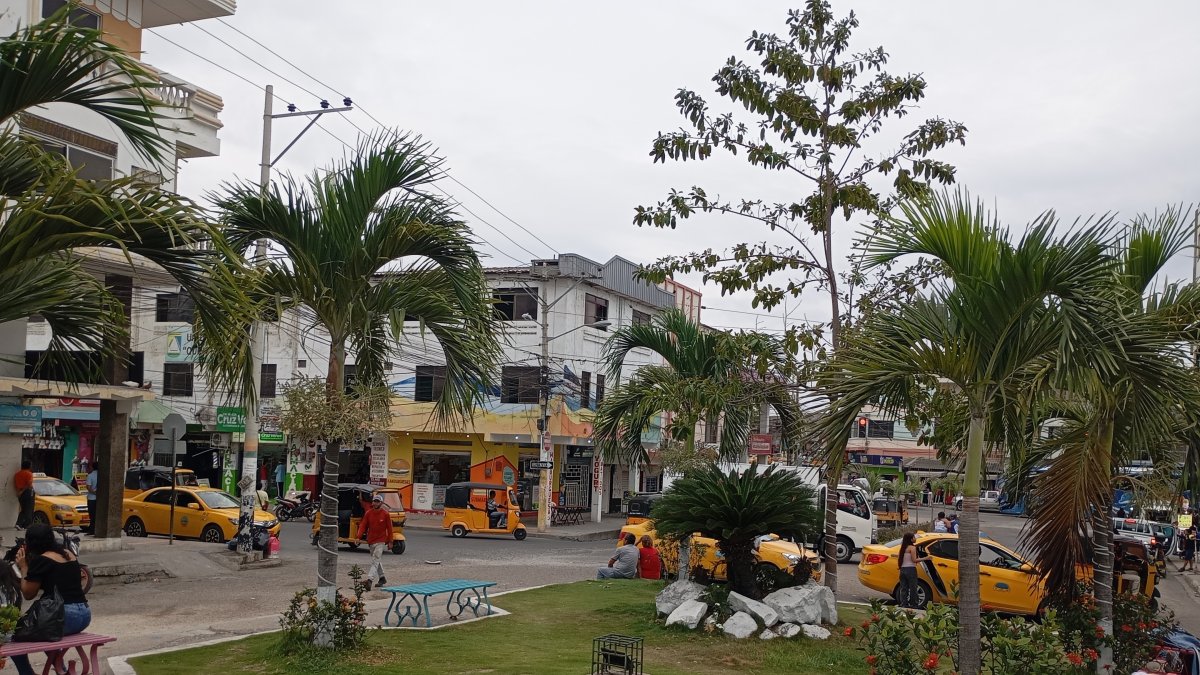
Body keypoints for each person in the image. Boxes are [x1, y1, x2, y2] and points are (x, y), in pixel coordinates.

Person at [12, 524, 90, 675]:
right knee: (44, 630)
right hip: (84, 615)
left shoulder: (43, 560)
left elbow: (28, 593)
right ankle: (62, 670)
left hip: (65, 616)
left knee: (14, 634)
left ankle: (26, 672)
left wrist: (23, 567)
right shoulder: (69, 554)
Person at [357, 494, 394, 591]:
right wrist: (359, 535)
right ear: (372, 502)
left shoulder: (385, 514)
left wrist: (390, 541)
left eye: (378, 501)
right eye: (374, 501)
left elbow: (390, 529)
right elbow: (363, 525)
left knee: (375, 560)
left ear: (381, 503)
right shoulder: (368, 513)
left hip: (381, 541)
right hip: (371, 540)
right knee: (376, 560)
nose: (376, 503)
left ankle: (369, 580)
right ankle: (382, 578)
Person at [897, 532, 930, 608]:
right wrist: (926, 558)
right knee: (913, 587)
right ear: (911, 539)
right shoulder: (912, 548)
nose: (915, 539)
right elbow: (914, 560)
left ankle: (903, 603)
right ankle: (914, 604)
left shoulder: (902, 548)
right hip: (911, 569)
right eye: (914, 537)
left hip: (903, 569)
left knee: (903, 587)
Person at [13, 460, 34, 530]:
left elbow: (16, 484)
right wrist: (22, 491)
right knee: (29, 510)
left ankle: (19, 524)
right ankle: (26, 525)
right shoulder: (29, 474)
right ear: (29, 466)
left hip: (20, 493)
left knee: (24, 510)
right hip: (27, 492)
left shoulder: (17, 474)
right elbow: (29, 484)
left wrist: (19, 492)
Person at [85, 463, 99, 536]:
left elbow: (88, 487)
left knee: (92, 515)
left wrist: (94, 493)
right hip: (99, 499)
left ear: (92, 467)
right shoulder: (101, 476)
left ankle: (92, 530)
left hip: (92, 498)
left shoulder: (90, 476)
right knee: (97, 515)